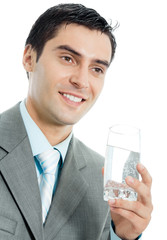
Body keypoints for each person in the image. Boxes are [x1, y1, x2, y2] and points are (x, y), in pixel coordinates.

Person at [0, 3, 153, 240]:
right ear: (29, 58)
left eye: (97, 69)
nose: (82, 81)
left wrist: (122, 236)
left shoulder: (106, 183)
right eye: (68, 58)